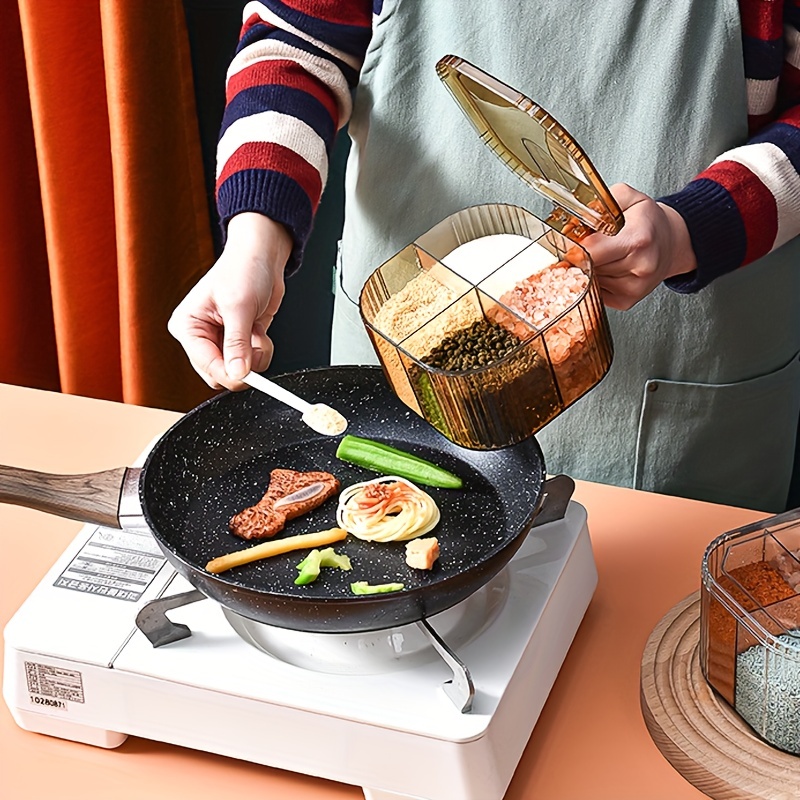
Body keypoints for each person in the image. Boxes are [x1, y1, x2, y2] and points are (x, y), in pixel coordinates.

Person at [169, 0, 800, 513]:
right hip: (408, 343)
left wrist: (692, 227)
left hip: (682, 367)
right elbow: (296, 46)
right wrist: (255, 239)